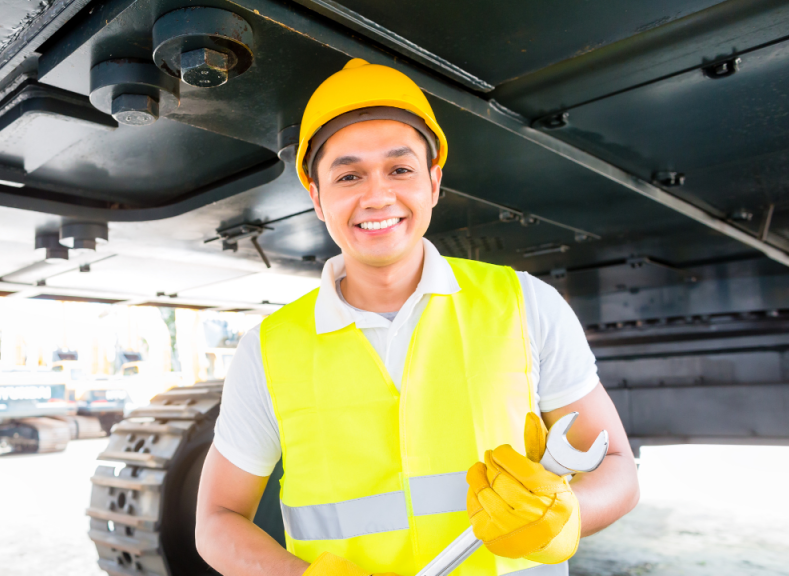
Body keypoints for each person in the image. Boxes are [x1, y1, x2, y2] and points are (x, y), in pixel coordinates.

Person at [195, 58, 640, 576]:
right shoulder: (268, 349)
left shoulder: (525, 304)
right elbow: (217, 519)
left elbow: (617, 469)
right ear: (317, 198)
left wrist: (566, 516)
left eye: (400, 169)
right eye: (348, 175)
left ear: (433, 182)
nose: (377, 195)